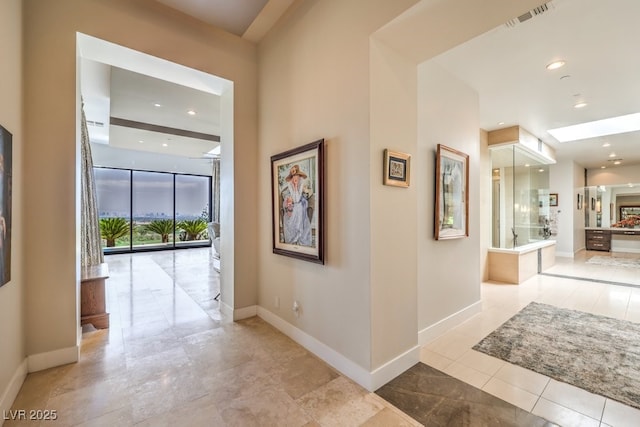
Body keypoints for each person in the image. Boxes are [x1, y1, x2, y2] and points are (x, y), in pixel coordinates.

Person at [281, 164, 313, 246]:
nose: (295, 177)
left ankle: (299, 234)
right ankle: (294, 235)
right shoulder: (290, 184)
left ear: (299, 176)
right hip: (293, 200)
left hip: (300, 201)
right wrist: (294, 186)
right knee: (294, 207)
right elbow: (294, 199)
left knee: (299, 206)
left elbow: (298, 199)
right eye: (293, 176)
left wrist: (297, 186)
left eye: (297, 175)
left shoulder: (301, 182)